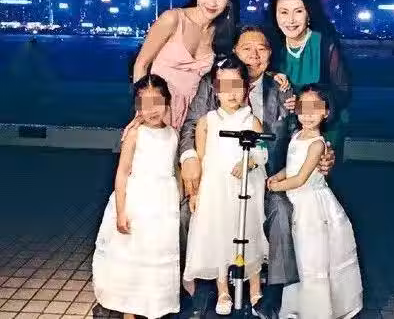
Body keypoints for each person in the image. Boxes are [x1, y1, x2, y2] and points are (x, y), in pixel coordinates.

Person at [179, 25, 335, 318]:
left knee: (281, 210)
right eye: (246, 49)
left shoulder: (281, 88)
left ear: (270, 54)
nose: (254, 55)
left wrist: (324, 151)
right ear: (234, 52)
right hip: (219, 181)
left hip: (266, 178)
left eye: (261, 49)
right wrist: (190, 158)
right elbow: (192, 125)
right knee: (188, 213)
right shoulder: (213, 83)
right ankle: (202, 287)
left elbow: (302, 131)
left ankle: (273, 292)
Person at [267, 84, 363, 319]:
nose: (308, 114)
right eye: (303, 107)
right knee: (299, 259)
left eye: (315, 108)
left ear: (326, 112)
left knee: (313, 259)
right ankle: (297, 306)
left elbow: (300, 178)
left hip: (312, 207)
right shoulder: (296, 135)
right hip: (296, 201)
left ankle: (317, 311)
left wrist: (275, 187)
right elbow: (291, 168)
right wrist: (277, 176)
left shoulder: (318, 144)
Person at [183, 55, 268, 315]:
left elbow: (262, 152)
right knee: (220, 233)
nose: (231, 94)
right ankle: (223, 289)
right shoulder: (207, 121)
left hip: (246, 188)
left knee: (248, 231)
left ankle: (254, 288)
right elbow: (201, 158)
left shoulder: (251, 121)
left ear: (246, 88)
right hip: (216, 189)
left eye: (237, 86)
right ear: (216, 89)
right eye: (225, 87)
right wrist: (195, 193)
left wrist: (249, 161)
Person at [92, 74, 181, 319]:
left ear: (167, 101)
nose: (152, 110)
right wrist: (121, 211)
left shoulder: (173, 134)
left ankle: (152, 308)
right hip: (137, 203)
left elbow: (174, 169)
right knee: (131, 259)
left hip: (163, 207)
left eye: (157, 102)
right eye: (145, 103)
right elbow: (122, 173)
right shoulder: (135, 134)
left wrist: (182, 197)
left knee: (155, 259)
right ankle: (128, 313)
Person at [130, 0, 240, 131]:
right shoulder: (173, 19)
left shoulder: (222, 34)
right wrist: (142, 112)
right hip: (158, 112)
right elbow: (141, 64)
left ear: (228, 1)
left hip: (193, 119)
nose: (212, 2)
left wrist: (273, 75)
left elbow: (237, 70)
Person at [267, 0, 352, 160]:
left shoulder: (324, 45)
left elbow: (342, 93)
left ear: (309, 14)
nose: (290, 20)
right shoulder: (269, 45)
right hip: (277, 132)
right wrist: (272, 76)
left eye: (298, 11)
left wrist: (303, 104)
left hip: (320, 132)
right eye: (283, 12)